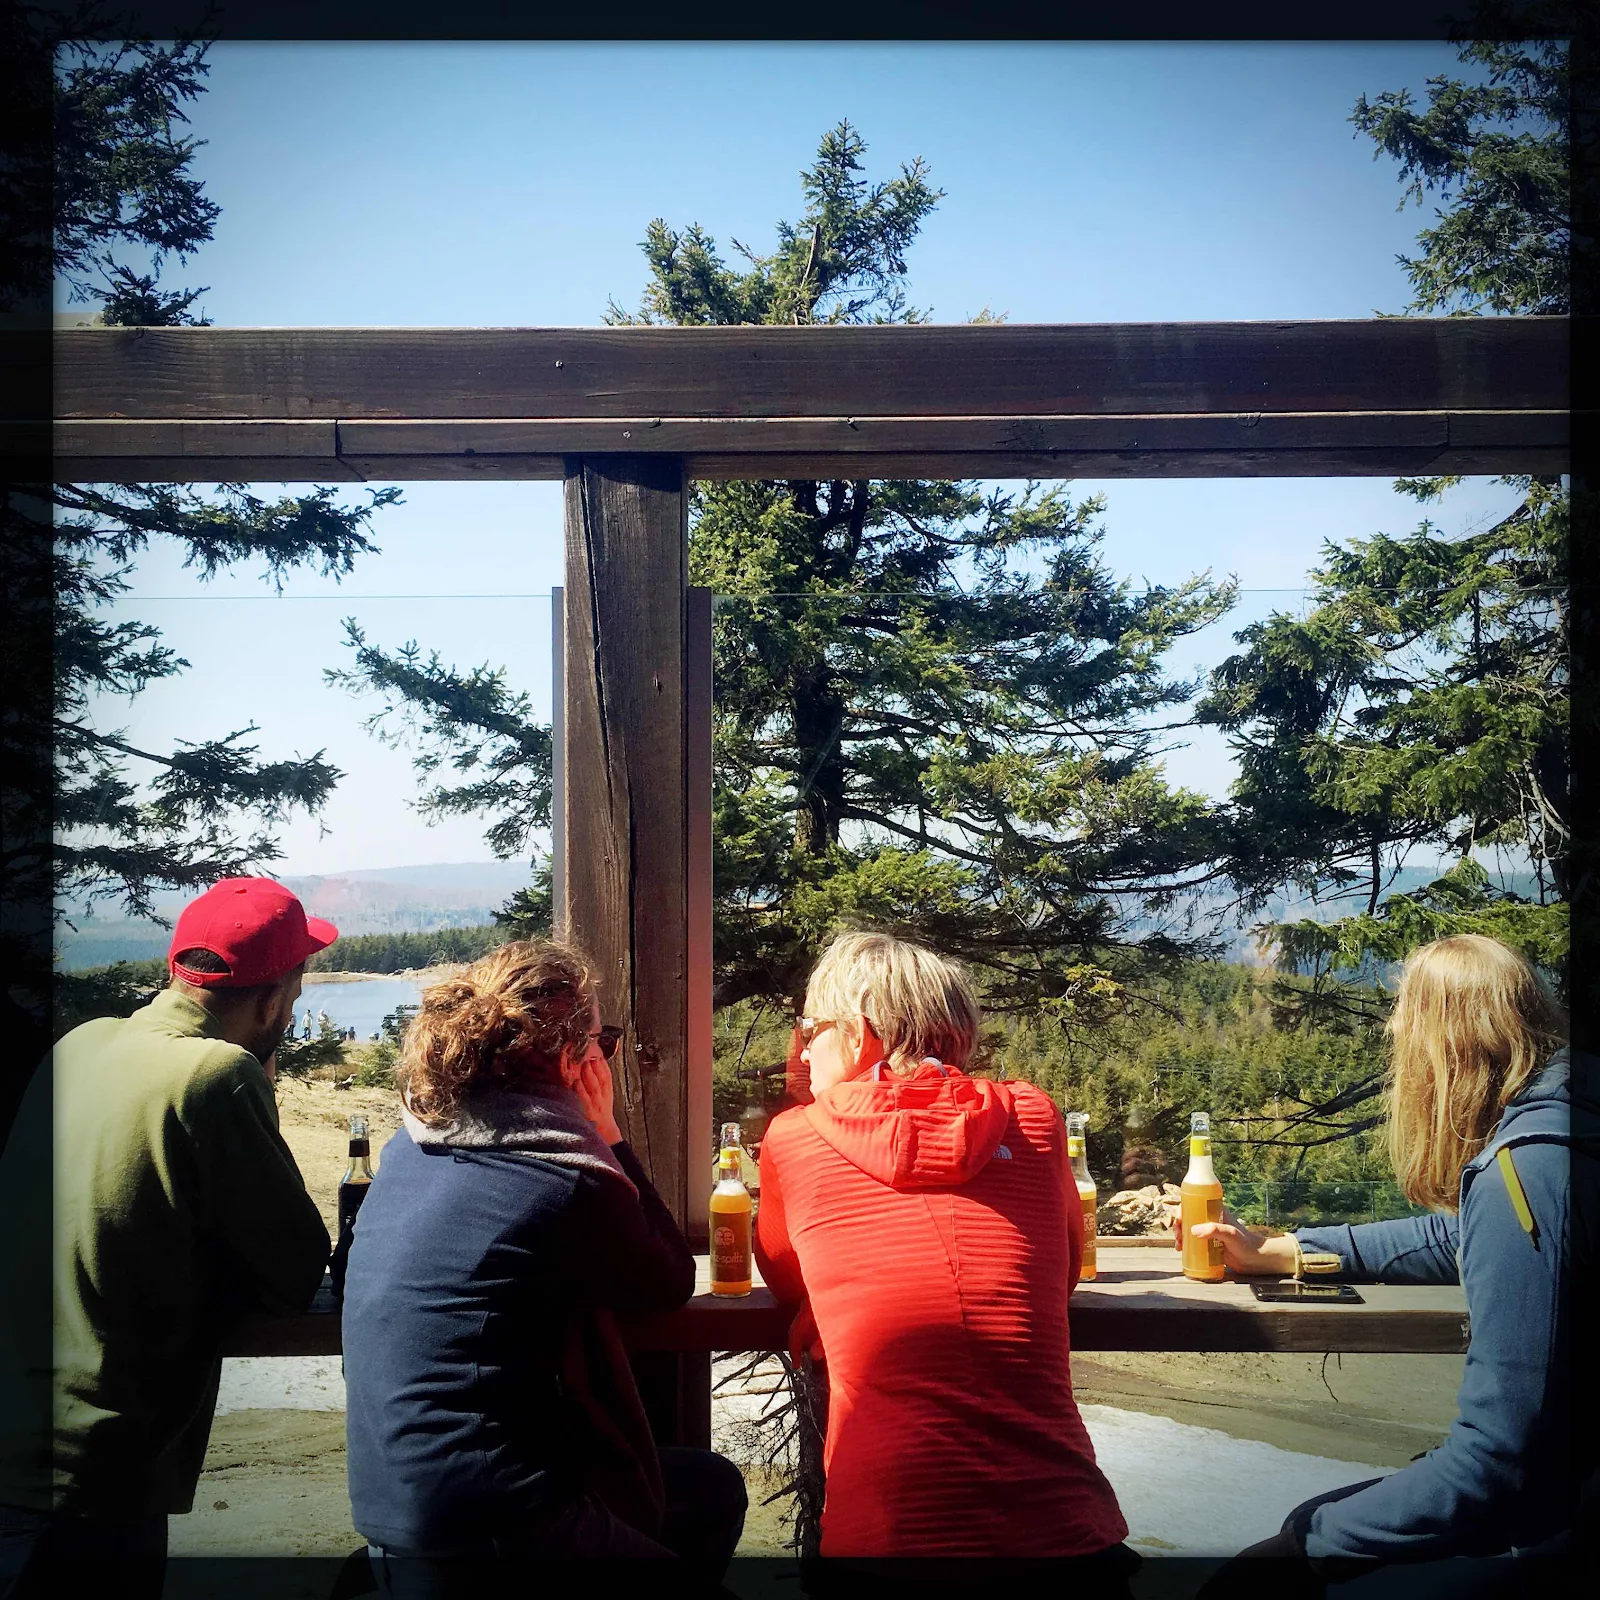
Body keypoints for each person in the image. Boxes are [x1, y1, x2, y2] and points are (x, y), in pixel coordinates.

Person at [1192, 934, 1594, 1598]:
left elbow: (1498, 1461)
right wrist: (1289, 1250)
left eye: (1403, 1020)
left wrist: (1303, 1547)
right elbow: (1455, 1236)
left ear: (1444, 1048)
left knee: (1265, 1568)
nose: (1392, 1034)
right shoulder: (1565, 1121)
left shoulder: (1526, 1173)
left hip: (1557, 1534)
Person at [342, 939, 747, 1592]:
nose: (604, 1056)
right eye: (602, 1042)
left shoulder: (414, 1146)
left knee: (706, 1488)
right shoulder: (560, 1176)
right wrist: (607, 1130)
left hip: (399, 1499)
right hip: (499, 1516)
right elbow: (668, 1278)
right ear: (569, 1058)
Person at [753, 931, 1136, 1594]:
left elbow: (788, 1277)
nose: (802, 1050)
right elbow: (1065, 1268)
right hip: (1067, 1537)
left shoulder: (794, 1136)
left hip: (887, 1541)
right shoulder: (1033, 1116)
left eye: (810, 1030)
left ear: (858, 1034)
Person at [0, 877, 336, 1598]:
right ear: (272, 1000)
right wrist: (259, 1074)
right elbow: (294, 1270)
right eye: (295, 991)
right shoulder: (218, 1073)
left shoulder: (79, 1044)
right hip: (94, 1463)